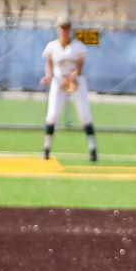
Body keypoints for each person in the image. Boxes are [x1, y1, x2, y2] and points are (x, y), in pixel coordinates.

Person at [38, 17, 96, 163]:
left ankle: (92, 148)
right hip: (58, 82)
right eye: (62, 28)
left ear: (70, 30)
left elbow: (80, 68)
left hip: (76, 82)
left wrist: (71, 79)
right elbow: (49, 63)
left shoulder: (78, 46)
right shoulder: (52, 46)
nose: (64, 31)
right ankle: (46, 149)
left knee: (84, 115)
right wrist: (48, 76)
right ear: (58, 29)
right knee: (52, 115)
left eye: (66, 28)